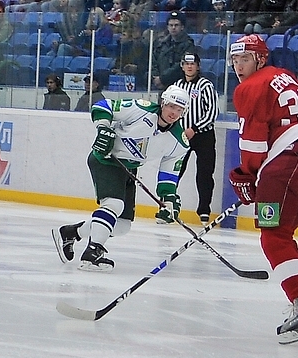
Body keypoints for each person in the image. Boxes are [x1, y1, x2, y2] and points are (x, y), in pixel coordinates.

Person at [228, 34, 298, 344]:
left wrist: (247, 177)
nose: (238, 66)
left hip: (284, 167)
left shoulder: (248, 88)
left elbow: (253, 143)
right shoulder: (286, 76)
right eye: (234, 60)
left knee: (273, 235)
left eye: (244, 59)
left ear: (260, 59)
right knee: (283, 233)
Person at [53, 85, 190, 271]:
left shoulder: (179, 142)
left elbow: (169, 173)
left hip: (128, 170)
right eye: (171, 106)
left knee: (122, 225)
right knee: (113, 205)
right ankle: (92, 253)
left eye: (179, 109)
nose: (174, 112)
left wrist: (169, 199)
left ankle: (71, 233)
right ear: (163, 103)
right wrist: (103, 128)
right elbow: (103, 106)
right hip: (106, 159)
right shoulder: (141, 109)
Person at [171, 52, 218, 225]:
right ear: (182, 66)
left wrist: (195, 128)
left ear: (198, 66)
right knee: (174, 170)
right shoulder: (176, 86)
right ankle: (167, 206)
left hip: (203, 135)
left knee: (205, 173)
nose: (189, 67)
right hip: (181, 134)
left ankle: (204, 210)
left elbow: (212, 112)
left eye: (193, 64)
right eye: (186, 63)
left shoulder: (206, 85)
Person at [151, 11, 196, 90]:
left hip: (180, 88)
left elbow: (182, 65)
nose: (173, 27)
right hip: (162, 87)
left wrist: (163, 79)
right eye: (171, 25)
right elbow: (153, 61)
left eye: (176, 25)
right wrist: (155, 78)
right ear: (167, 27)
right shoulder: (161, 43)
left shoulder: (188, 44)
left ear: (182, 27)